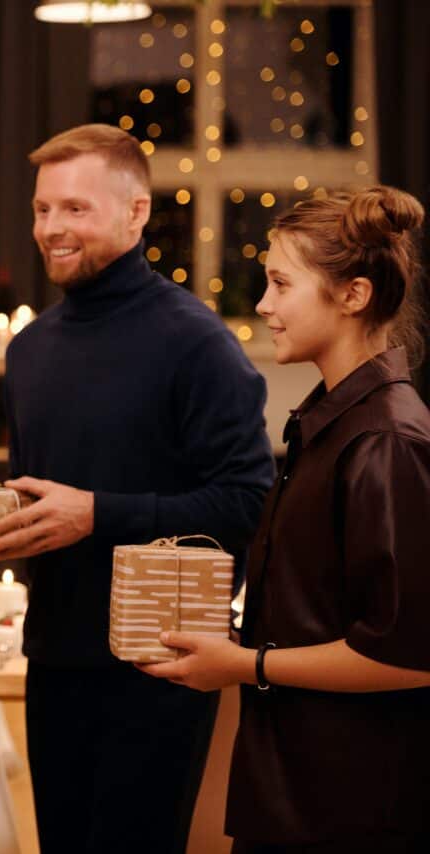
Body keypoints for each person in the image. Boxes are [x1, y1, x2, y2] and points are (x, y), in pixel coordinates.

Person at [0, 124, 275, 853]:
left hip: (161, 665)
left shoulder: (198, 343)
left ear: (136, 214)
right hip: (53, 659)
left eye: (75, 209)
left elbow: (250, 503)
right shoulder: (29, 351)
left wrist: (99, 515)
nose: (51, 228)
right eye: (42, 209)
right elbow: (51, 497)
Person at [143, 186, 430, 853]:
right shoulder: (330, 424)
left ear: (353, 295)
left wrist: (245, 663)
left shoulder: (387, 440)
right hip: (298, 790)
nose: (264, 305)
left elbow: (411, 655)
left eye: (279, 283)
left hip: (354, 805)